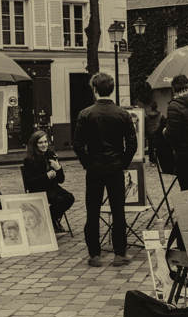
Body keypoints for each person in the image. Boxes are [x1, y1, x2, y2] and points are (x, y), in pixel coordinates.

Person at [73, 72, 138, 267]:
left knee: (92, 211)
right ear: (112, 89)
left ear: (94, 90)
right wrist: (123, 162)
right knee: (118, 211)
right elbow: (133, 144)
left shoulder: (85, 114)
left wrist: (87, 162)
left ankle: (95, 254)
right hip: (115, 168)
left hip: (94, 168)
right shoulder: (122, 114)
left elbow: (77, 144)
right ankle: (120, 253)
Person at [22, 130, 74, 229]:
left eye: (45, 142)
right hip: (39, 189)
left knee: (69, 198)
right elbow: (30, 183)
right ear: (35, 144)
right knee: (61, 200)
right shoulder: (29, 160)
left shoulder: (51, 155)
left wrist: (58, 168)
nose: (44, 145)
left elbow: (61, 180)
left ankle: (50, 218)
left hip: (53, 188)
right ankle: (52, 220)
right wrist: (47, 176)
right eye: (40, 142)